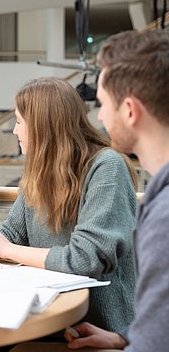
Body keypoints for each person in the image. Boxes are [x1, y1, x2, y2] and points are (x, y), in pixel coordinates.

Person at [0, 77, 137, 332]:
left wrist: (6, 249)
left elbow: (84, 260)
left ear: (42, 125)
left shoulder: (107, 167)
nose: (14, 131)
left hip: (100, 329)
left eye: (19, 121)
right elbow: (11, 234)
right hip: (46, 322)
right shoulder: (38, 173)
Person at [61, 30, 169, 352]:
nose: (99, 116)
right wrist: (124, 337)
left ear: (130, 110)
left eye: (103, 103)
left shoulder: (164, 217)